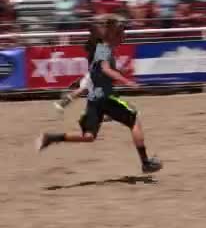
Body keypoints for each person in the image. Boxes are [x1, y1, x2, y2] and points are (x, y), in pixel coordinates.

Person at [38, 16, 162, 174]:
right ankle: (146, 163)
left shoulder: (102, 49)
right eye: (122, 34)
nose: (124, 38)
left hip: (94, 101)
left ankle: (51, 138)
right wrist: (126, 81)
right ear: (113, 34)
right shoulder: (104, 49)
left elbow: (101, 71)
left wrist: (118, 73)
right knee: (134, 120)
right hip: (105, 98)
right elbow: (105, 69)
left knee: (89, 136)